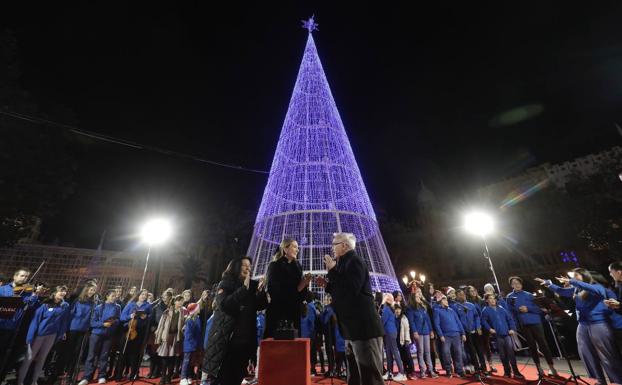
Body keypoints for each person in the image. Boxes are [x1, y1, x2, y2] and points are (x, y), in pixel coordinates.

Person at [316, 232, 385, 385]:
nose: (332, 248)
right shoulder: (344, 263)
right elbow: (342, 291)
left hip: (363, 329)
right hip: (352, 329)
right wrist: (328, 286)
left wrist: (332, 271)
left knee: (369, 375)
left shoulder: (355, 261)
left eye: (335, 244)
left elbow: (351, 290)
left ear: (344, 246)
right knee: (354, 375)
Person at [537, 269, 622, 385]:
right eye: (573, 276)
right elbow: (561, 291)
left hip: (598, 324)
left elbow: (592, 290)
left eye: (576, 275)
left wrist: (573, 281)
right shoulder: (577, 289)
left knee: (606, 354)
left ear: (584, 276)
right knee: (587, 353)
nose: (574, 277)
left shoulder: (597, 287)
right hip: (582, 324)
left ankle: (618, 380)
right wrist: (549, 284)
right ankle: (600, 381)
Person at [203, 257, 268, 385]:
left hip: (245, 341)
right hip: (228, 340)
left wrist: (261, 292)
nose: (248, 268)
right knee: (224, 378)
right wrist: (243, 288)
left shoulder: (253, 286)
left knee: (237, 377)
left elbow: (261, 305)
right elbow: (225, 305)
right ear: (236, 267)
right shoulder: (225, 284)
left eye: (249, 266)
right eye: (245, 265)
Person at [506, 276, 558, 377]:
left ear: (521, 284)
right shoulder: (509, 297)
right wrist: (514, 325)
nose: (516, 285)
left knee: (543, 345)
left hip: (535, 322)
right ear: (511, 285)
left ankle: (552, 368)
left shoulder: (529, 295)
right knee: (532, 347)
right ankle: (539, 369)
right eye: (514, 283)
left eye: (518, 283)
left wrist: (528, 309)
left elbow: (539, 309)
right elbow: (510, 313)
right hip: (523, 325)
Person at [18, 285, 70, 385]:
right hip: (39, 335)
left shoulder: (65, 306)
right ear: (54, 292)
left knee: (42, 359)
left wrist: (60, 334)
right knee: (29, 359)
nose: (63, 293)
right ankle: (20, 381)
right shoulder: (45, 304)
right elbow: (35, 322)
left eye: (65, 292)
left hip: (52, 335)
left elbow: (64, 321)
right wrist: (29, 338)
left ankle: (34, 381)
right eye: (61, 291)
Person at [0, 267, 44, 382]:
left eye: (26, 277)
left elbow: (31, 306)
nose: (24, 278)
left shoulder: (26, 292)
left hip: (15, 329)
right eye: (22, 276)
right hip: (1, 326)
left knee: (8, 357)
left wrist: (35, 294)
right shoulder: (3, 289)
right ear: (15, 276)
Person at [264, 238, 312, 338]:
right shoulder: (274, 266)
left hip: (294, 313)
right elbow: (274, 291)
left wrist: (305, 284)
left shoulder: (298, 267)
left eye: (298, 247)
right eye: (294, 247)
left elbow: (301, 294)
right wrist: (299, 287)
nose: (297, 250)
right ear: (285, 249)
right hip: (278, 314)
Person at [53, 281, 98, 382]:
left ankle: (71, 373)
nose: (93, 292)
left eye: (94, 290)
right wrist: (65, 330)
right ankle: (58, 372)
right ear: (86, 290)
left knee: (77, 353)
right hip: (73, 329)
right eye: (91, 290)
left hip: (84, 330)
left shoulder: (94, 302)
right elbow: (70, 315)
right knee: (67, 351)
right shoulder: (78, 300)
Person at [78, 289, 121, 385]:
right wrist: (103, 324)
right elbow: (92, 322)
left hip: (109, 335)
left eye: (115, 296)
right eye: (112, 296)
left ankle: (102, 376)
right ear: (107, 296)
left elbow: (118, 320)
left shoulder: (117, 307)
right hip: (96, 334)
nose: (115, 298)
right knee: (91, 356)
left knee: (104, 356)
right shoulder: (99, 307)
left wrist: (114, 322)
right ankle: (86, 377)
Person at [480, 294, 524, 379]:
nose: (493, 300)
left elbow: (510, 319)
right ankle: (507, 372)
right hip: (497, 336)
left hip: (507, 334)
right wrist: (490, 329)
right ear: (486, 300)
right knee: (503, 355)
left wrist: (512, 328)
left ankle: (516, 371)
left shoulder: (501, 308)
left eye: (494, 299)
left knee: (511, 354)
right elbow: (483, 321)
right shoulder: (485, 310)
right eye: (490, 299)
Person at [120, 288, 152, 380]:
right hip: (128, 331)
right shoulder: (131, 304)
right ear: (138, 295)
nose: (144, 296)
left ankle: (133, 374)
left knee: (135, 355)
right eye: (142, 294)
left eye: (145, 295)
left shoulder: (148, 306)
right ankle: (119, 374)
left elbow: (150, 319)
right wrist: (130, 316)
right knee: (124, 353)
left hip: (140, 332)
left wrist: (146, 317)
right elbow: (122, 317)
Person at [155, 295, 187, 385]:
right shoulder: (167, 311)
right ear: (174, 301)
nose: (180, 303)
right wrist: (159, 336)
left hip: (175, 337)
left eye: (182, 301)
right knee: (165, 358)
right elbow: (161, 325)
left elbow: (183, 325)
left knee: (172, 358)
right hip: (166, 336)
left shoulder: (182, 313)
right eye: (178, 301)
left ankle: (168, 378)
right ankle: (163, 378)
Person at [454, 288, 486, 375]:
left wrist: (478, 327)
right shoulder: (456, 307)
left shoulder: (471, 305)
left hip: (475, 331)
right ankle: (476, 368)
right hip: (466, 332)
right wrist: (462, 332)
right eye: (460, 295)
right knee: (471, 351)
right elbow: (457, 320)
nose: (462, 296)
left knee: (480, 350)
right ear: (456, 297)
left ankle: (484, 368)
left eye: (463, 294)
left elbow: (476, 317)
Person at [433, 294, 466, 377]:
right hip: (446, 336)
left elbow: (458, 322)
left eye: (446, 300)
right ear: (440, 302)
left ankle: (459, 370)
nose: (446, 301)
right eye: (444, 300)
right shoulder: (437, 310)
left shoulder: (452, 310)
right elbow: (437, 324)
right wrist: (440, 335)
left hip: (456, 334)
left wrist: (463, 333)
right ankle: (448, 370)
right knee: (446, 353)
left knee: (458, 353)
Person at [407, 288, 437, 378]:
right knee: (420, 352)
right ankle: (422, 371)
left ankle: (431, 370)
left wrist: (431, 330)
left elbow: (427, 319)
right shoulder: (410, 309)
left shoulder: (423, 307)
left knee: (427, 351)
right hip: (418, 332)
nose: (419, 297)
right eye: (416, 296)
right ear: (413, 298)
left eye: (419, 296)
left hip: (426, 331)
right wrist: (415, 331)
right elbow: (411, 321)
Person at [380, 294, 406, 381]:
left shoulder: (386, 309)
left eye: (384, 297)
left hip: (390, 332)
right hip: (389, 332)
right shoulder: (389, 309)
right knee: (388, 353)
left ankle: (402, 373)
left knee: (394, 352)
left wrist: (382, 303)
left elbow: (382, 321)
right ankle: (389, 372)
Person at [181, 303, 202, 385]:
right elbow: (188, 334)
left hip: (194, 343)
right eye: (198, 308)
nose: (199, 309)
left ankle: (188, 376)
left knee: (191, 361)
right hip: (189, 343)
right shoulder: (189, 319)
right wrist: (192, 343)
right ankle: (183, 378)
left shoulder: (197, 318)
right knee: (186, 361)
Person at [394, 305, 414, 379]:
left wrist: (407, 340)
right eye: (396, 309)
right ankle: (405, 371)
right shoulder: (394, 318)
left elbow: (407, 329)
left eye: (399, 309)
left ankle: (411, 371)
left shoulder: (404, 318)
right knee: (402, 357)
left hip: (405, 340)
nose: (398, 311)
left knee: (408, 356)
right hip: (398, 340)